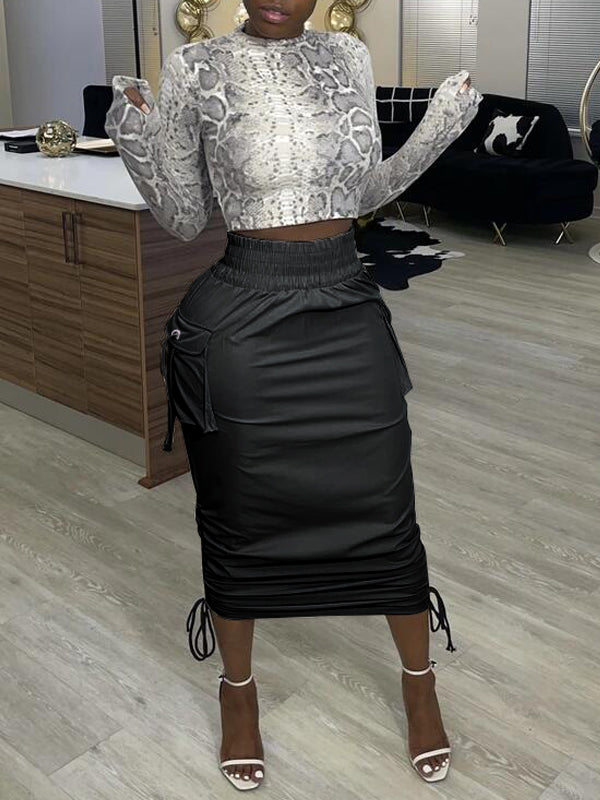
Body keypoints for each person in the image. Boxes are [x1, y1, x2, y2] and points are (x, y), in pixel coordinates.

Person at [105, 0, 482, 790]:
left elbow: (364, 190)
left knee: (386, 511)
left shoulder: (349, 57)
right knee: (241, 521)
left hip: (345, 306)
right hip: (242, 321)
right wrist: (136, 134)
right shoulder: (197, 66)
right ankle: (237, 690)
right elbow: (184, 217)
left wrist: (437, 131)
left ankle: (420, 683)